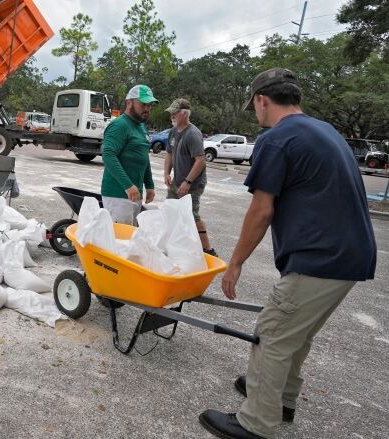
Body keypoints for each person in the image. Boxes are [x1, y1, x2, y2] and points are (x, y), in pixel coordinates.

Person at [199, 68, 376, 439]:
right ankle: (281, 400)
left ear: (262, 100)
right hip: (351, 257)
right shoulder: (324, 130)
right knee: (298, 332)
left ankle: (255, 423)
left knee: (274, 332)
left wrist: (234, 264)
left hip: (319, 257)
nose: (256, 114)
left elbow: (262, 210)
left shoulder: (277, 138)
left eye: (254, 107)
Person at [163, 98, 217, 256]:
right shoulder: (173, 132)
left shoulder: (193, 134)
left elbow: (200, 161)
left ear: (185, 114)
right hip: (177, 182)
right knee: (170, 211)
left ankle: (208, 250)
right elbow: (169, 154)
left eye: (175, 113)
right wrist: (167, 173)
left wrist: (188, 182)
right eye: (171, 113)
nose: (172, 116)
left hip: (193, 184)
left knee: (191, 215)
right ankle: (172, 246)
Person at [100, 84, 156, 225]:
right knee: (119, 242)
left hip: (134, 195)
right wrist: (127, 185)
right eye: (143, 104)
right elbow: (108, 155)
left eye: (150, 105)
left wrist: (149, 185)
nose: (147, 109)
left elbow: (144, 157)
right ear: (129, 103)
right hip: (118, 195)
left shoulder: (141, 126)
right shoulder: (120, 125)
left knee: (129, 240)